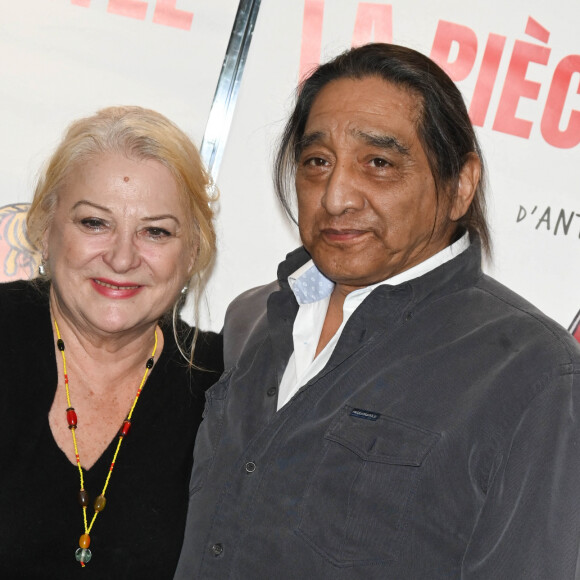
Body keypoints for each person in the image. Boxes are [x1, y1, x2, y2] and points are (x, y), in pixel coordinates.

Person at [174, 44, 580, 579]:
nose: (336, 195)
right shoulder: (256, 320)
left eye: (379, 163)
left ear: (460, 186)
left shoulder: (533, 375)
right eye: (317, 162)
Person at [0, 106, 223, 579]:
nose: (122, 258)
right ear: (44, 228)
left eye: (155, 231)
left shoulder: (225, 388)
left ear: (193, 253)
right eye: (94, 223)